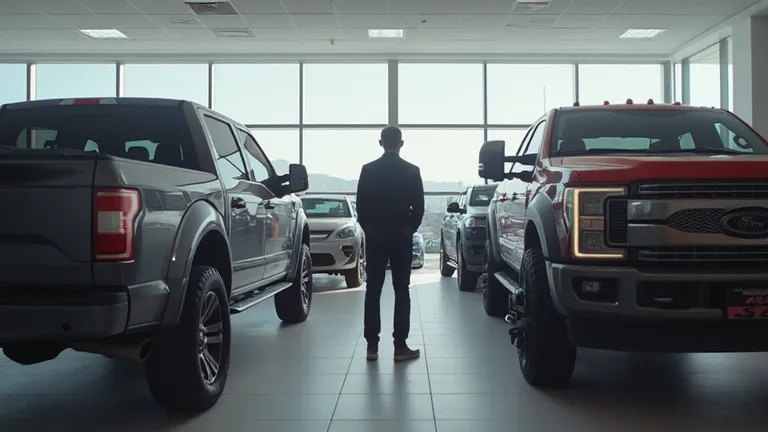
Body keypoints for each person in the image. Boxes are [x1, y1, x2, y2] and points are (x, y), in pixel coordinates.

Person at [356, 126, 425, 362]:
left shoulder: (368, 170)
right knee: (401, 290)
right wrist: (410, 227)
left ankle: (372, 347)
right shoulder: (411, 170)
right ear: (401, 144)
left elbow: (361, 205)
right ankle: (400, 347)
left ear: (380, 143)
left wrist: (368, 227)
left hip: (375, 237)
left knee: (373, 290)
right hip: (401, 237)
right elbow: (419, 206)